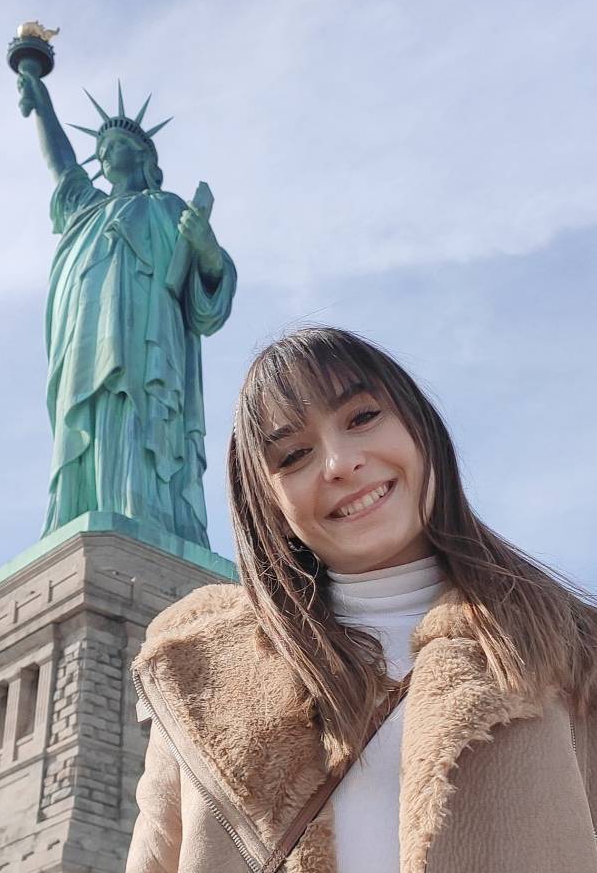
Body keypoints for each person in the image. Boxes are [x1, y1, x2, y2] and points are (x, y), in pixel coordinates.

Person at [127, 326, 597, 872]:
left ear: (420, 428)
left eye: (362, 417)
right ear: (268, 506)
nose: (339, 464)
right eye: (294, 454)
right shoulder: (196, 680)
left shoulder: (573, 652)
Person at [16, 68, 236, 544]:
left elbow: (210, 301)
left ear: (142, 155)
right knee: (91, 421)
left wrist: (207, 248)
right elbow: (62, 167)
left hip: (146, 344)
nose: (102, 155)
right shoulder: (86, 211)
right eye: (99, 149)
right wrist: (43, 106)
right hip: (85, 345)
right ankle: (80, 510)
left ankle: (146, 513)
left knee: (138, 418)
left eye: (112, 145)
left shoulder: (167, 208)